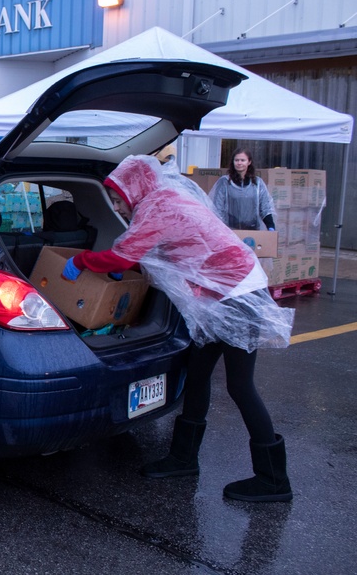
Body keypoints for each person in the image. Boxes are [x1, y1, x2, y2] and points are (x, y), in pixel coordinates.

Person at [60, 155, 294, 502]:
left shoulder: (157, 208)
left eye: (118, 198)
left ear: (134, 189)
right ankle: (183, 458)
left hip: (237, 296)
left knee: (240, 386)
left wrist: (81, 260)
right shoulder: (163, 200)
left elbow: (123, 258)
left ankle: (273, 479)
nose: (117, 207)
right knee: (197, 373)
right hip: (215, 298)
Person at [209, 148, 276, 231]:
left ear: (249, 162)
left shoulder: (257, 183)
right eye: (236, 160)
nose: (239, 163)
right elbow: (217, 208)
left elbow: (265, 207)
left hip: (253, 232)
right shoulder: (224, 182)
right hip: (230, 231)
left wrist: (270, 226)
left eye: (242, 160)